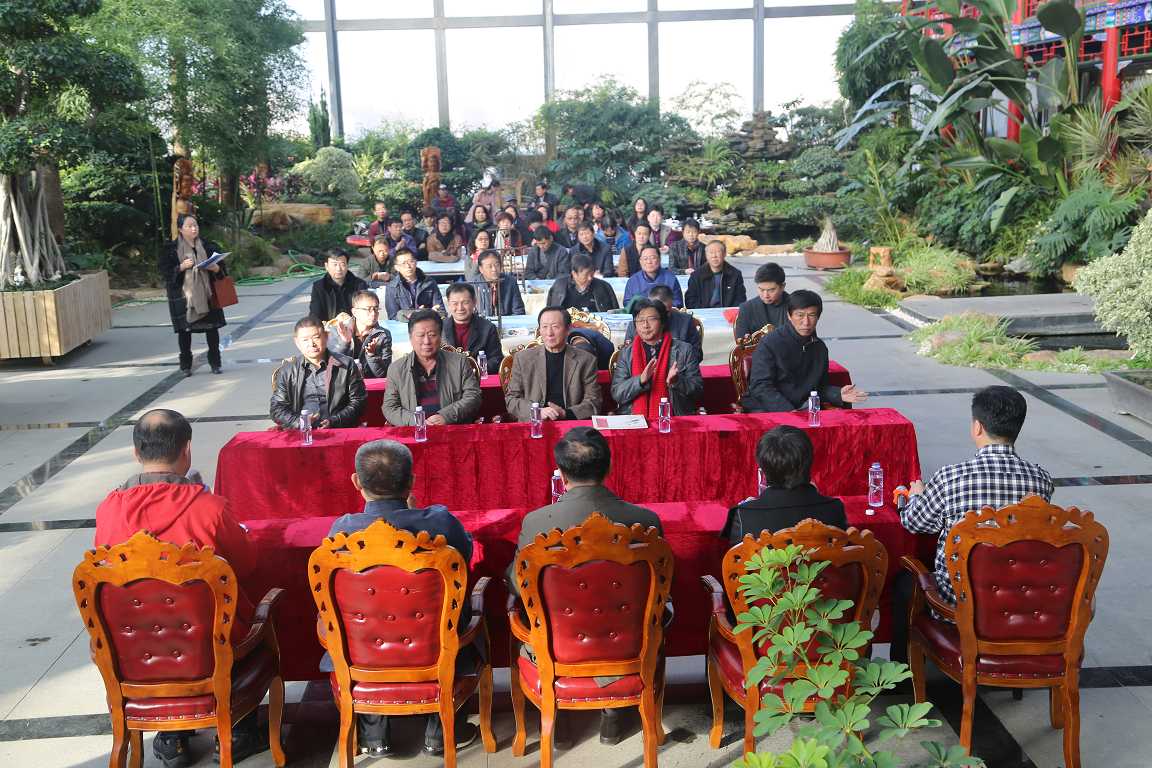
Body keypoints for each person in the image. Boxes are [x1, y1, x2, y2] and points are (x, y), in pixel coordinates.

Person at [95, 409, 267, 767]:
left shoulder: (109, 509)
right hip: (207, 646)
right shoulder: (209, 509)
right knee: (250, 614)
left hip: (135, 648)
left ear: (136, 452)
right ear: (187, 449)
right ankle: (238, 729)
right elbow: (246, 565)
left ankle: (170, 733)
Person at [326, 440, 480, 757]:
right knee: (456, 612)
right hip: (436, 646)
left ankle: (374, 736)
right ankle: (440, 733)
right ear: (411, 482)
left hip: (365, 652)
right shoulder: (439, 522)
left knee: (361, 622)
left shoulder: (342, 530)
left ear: (356, 482)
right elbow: (464, 556)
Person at [512, 426, 662, 745]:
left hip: (559, 647)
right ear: (609, 467)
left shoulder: (537, 522)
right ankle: (613, 712)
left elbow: (519, 586)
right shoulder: (645, 521)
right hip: (629, 646)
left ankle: (559, 714)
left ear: (561, 473)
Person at [890, 386, 1054, 664]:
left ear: (977, 427)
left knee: (906, 580)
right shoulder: (1041, 480)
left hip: (960, 604)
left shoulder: (951, 478)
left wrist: (915, 496)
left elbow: (915, 522)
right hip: (1019, 601)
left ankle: (904, 673)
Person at [742, 290, 868, 412]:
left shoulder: (819, 348)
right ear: (789, 316)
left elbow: (819, 388)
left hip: (804, 407)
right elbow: (761, 386)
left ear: (818, 317)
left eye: (811, 315)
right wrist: (790, 412)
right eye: (800, 315)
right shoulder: (770, 343)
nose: (806, 322)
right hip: (770, 409)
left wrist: (838, 394)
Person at [720, 426, 847, 544]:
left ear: (763, 469)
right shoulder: (834, 508)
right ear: (809, 462)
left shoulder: (743, 514)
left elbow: (736, 558)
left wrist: (749, 507)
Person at [382, 309, 482, 426]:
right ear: (410, 337)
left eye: (432, 335)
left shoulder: (459, 362)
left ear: (440, 336)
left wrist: (446, 416)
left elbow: (473, 397)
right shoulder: (397, 369)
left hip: (451, 428)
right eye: (420, 335)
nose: (426, 341)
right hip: (414, 432)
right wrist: (416, 421)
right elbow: (389, 407)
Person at [160, 214, 228, 376]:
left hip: (207, 294)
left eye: (195, 225)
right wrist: (181, 267)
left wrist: (216, 269)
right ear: (180, 229)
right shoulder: (170, 249)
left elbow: (222, 271)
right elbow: (165, 273)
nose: (193, 229)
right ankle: (185, 366)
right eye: (189, 226)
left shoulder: (209, 246)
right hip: (183, 296)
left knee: (212, 330)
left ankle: (215, 363)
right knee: (185, 331)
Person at [505, 307, 600, 422]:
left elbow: (594, 401)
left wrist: (565, 414)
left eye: (555, 327)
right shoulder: (523, 359)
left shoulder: (586, 360)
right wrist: (537, 411)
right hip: (535, 423)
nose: (549, 333)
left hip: (570, 423)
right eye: (544, 327)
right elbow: (511, 399)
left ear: (568, 329)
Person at [271, 316, 367, 428]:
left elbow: (358, 401)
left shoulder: (346, 364)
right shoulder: (288, 370)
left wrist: (335, 421)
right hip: (301, 431)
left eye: (316, 337)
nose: (311, 344)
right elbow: (277, 408)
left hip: (338, 428)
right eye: (305, 340)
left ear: (326, 336)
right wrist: (299, 422)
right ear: (297, 342)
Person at [612, 298, 702, 417]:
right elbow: (617, 393)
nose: (645, 325)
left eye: (651, 319)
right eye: (640, 320)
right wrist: (640, 380)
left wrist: (677, 381)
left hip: (674, 416)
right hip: (634, 418)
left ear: (663, 322)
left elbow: (698, 391)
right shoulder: (626, 353)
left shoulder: (684, 350)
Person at [327, 290, 393, 379]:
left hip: (369, 383)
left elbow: (383, 374)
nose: (373, 313)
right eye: (368, 309)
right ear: (355, 312)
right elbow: (331, 366)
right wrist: (345, 343)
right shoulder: (338, 330)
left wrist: (372, 355)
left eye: (376, 309)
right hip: (344, 383)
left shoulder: (383, 335)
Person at [442, 283, 502, 375]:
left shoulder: (488, 328)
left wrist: (473, 370)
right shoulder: (439, 328)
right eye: (455, 303)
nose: (460, 308)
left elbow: (496, 359)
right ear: (448, 304)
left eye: (465, 303)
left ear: (474, 302)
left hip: (477, 378)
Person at [624, 284, 702, 351]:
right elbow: (626, 355)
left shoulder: (686, 322)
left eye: (666, 312)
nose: (661, 316)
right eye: (656, 313)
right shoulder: (635, 325)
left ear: (671, 306)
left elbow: (696, 353)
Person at [546, 252, 619, 312]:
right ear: (574, 274)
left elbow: (615, 314)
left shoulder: (604, 287)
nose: (590, 278)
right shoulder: (559, 286)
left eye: (592, 274)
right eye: (586, 275)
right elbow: (551, 313)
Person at [384, 248, 444, 321]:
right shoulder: (392, 287)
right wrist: (417, 314)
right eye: (403, 263)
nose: (408, 266)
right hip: (404, 326)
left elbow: (442, 311)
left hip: (428, 323)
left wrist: (433, 313)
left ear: (416, 262)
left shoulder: (430, 283)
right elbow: (392, 317)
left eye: (411, 261)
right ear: (397, 268)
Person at [733, 262, 789, 340]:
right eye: (761, 289)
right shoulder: (747, 308)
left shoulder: (794, 306)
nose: (766, 295)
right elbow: (741, 343)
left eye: (771, 290)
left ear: (782, 286)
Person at [684, 240, 746, 309]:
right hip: (703, 313)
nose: (714, 256)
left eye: (718, 252)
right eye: (711, 252)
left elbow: (740, 299)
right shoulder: (696, 275)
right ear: (706, 255)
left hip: (727, 312)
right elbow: (690, 300)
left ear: (724, 254)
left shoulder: (735, 274)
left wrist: (729, 312)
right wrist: (703, 312)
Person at [309, 249, 368, 322]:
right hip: (328, 326)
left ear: (347, 265)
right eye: (335, 264)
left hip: (355, 325)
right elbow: (315, 314)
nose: (338, 269)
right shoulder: (319, 287)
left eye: (342, 264)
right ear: (326, 266)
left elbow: (365, 311)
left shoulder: (359, 285)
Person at [470, 249, 526, 317]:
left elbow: (519, 311)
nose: (494, 269)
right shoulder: (473, 284)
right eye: (489, 266)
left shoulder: (510, 282)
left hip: (507, 322)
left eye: (497, 265)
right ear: (481, 269)